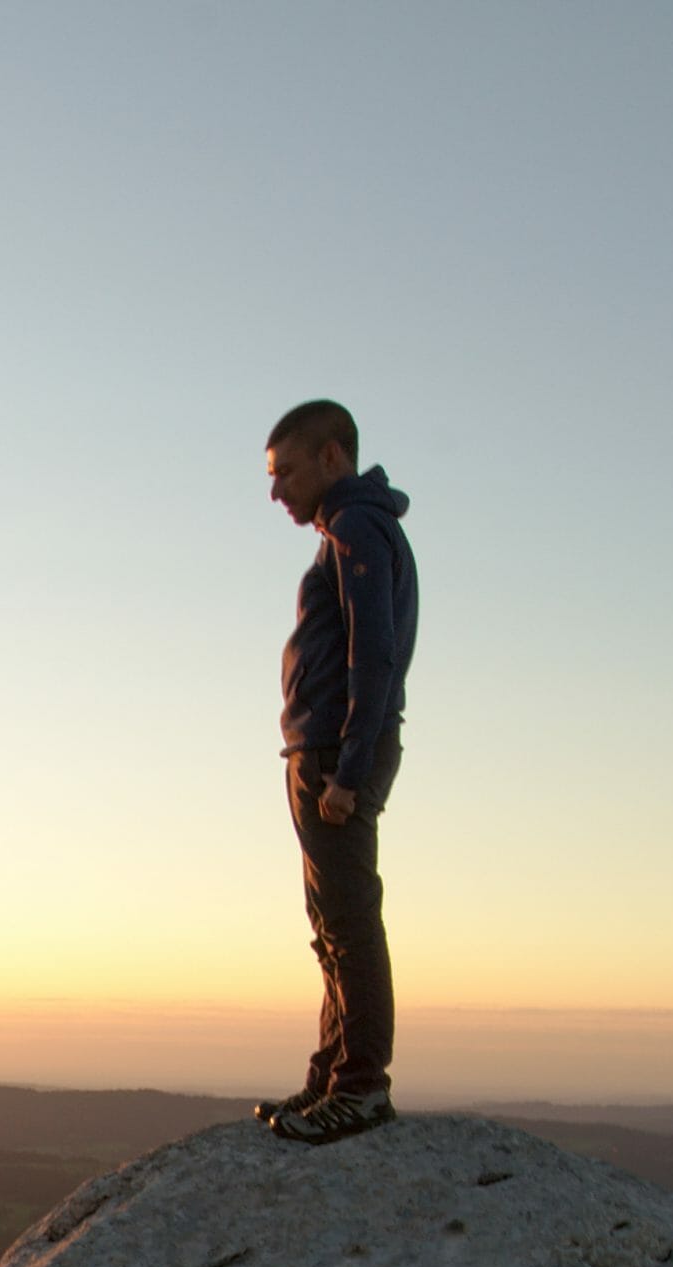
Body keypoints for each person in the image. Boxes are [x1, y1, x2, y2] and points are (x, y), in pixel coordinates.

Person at [257, 399, 416, 1146]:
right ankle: (332, 1074)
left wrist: (348, 771)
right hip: (322, 753)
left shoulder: (355, 528)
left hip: (332, 758)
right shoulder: (348, 532)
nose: (276, 490)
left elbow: (374, 654)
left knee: (348, 923)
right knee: (331, 927)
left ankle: (361, 1088)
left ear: (332, 457)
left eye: (286, 470)